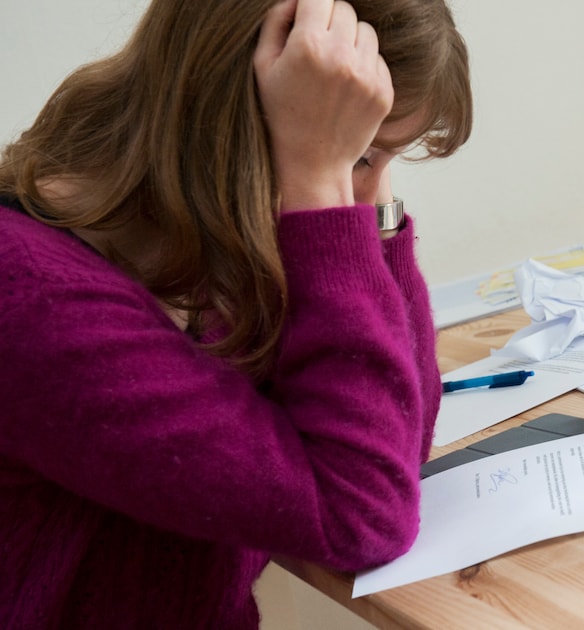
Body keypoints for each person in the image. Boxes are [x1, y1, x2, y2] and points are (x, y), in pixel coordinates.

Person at [0, 0, 471, 626]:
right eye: (357, 156)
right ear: (239, 123)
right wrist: (322, 192)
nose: (359, 194)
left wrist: (370, 208)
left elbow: (399, 448)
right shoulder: (33, 297)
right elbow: (363, 512)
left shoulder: (206, 250)